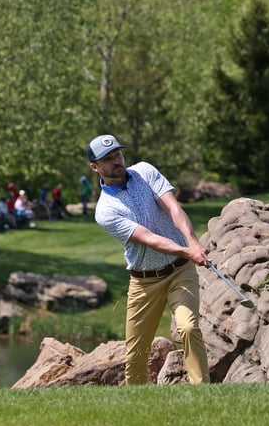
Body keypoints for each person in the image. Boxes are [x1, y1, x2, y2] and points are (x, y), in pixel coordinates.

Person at [88, 133, 211, 385]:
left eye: (118, 155)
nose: (116, 161)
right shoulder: (105, 210)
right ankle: (137, 405)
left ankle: (202, 391)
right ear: (95, 167)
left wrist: (193, 241)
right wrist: (188, 251)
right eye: (108, 159)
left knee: (188, 327)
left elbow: (173, 208)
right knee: (136, 354)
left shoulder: (145, 171)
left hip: (180, 270)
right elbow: (149, 238)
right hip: (145, 282)